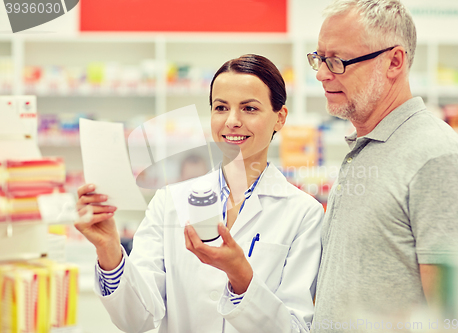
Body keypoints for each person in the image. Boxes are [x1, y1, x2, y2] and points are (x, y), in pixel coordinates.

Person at [75, 54, 324, 333]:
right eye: (220, 107)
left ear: (280, 118)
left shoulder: (304, 213)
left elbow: (296, 328)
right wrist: (108, 249)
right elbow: (137, 319)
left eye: (249, 109)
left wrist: (241, 276)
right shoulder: (170, 201)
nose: (232, 121)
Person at [308, 0, 458, 330]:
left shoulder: (437, 157)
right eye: (319, 59)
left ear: (394, 61)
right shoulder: (365, 147)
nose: (321, 74)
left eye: (336, 61)